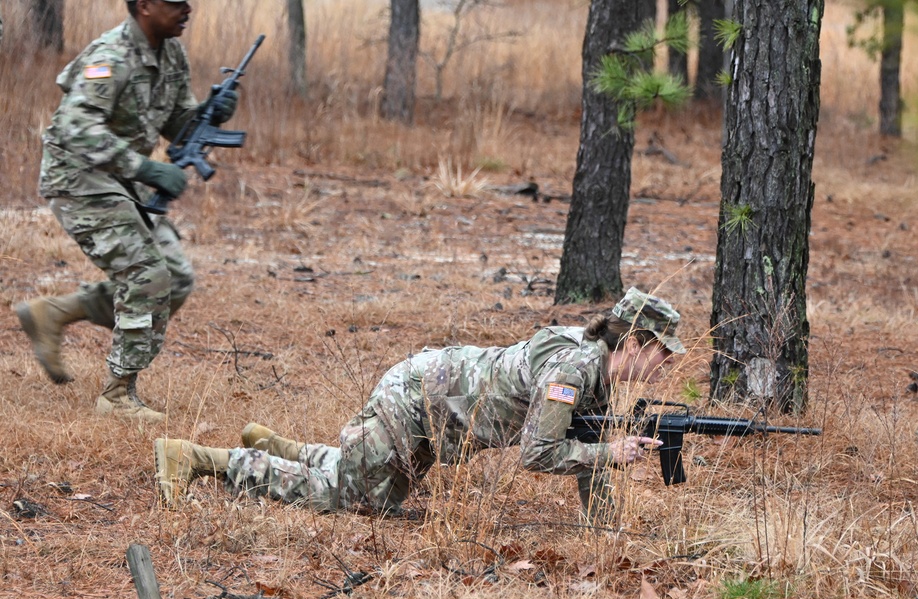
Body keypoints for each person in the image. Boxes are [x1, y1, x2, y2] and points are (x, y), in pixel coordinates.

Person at [154, 287, 687, 520]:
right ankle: (202, 459)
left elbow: (584, 437)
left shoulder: (597, 366)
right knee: (348, 501)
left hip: (434, 414)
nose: (668, 363)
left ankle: (277, 445)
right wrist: (611, 454)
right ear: (636, 342)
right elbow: (539, 452)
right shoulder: (572, 371)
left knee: (375, 496)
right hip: (417, 403)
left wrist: (604, 526)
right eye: (663, 351)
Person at [14, 0, 238, 422]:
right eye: (176, 2)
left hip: (120, 178)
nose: (187, 8)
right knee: (146, 276)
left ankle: (55, 313)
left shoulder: (171, 52)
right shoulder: (110, 56)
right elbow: (74, 128)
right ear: (146, 6)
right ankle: (116, 396)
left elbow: (176, 123)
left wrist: (210, 114)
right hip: (78, 178)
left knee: (176, 281)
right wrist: (147, 168)